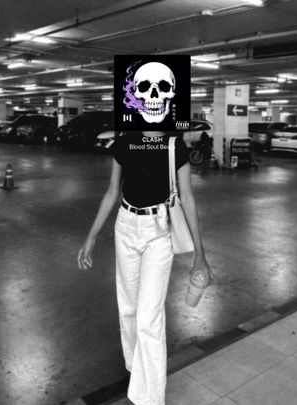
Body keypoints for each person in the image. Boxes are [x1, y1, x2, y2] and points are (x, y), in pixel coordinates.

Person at [77, 130, 213, 405]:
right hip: (126, 226)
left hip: (158, 231)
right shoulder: (125, 142)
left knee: (148, 317)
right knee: (128, 307)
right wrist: (91, 236)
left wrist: (200, 254)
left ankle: (150, 398)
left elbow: (187, 197)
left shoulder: (175, 146)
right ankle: (134, 365)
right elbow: (112, 191)